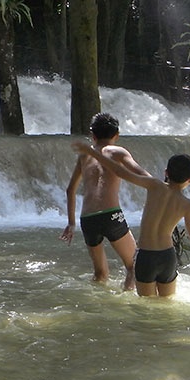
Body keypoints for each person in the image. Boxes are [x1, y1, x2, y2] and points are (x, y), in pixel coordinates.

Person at [71, 142, 190, 297]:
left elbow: (119, 171)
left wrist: (92, 153)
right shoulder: (187, 204)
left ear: (166, 172)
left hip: (146, 257)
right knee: (166, 305)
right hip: (167, 257)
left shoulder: (154, 186)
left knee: (148, 308)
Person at [61, 112, 149, 290]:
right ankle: (126, 302)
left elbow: (70, 190)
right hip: (111, 215)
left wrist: (71, 224)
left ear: (92, 135)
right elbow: (142, 174)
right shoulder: (117, 152)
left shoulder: (84, 156)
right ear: (116, 135)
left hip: (87, 219)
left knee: (100, 274)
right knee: (134, 265)